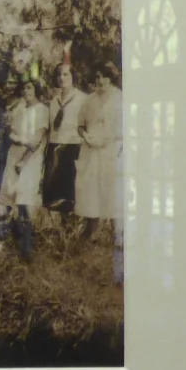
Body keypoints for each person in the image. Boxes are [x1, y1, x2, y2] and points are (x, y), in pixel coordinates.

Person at [0, 79, 49, 259]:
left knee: (25, 199)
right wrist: (14, 139)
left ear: (36, 90)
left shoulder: (42, 110)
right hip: (14, 155)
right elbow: (10, 133)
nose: (26, 91)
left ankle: (26, 247)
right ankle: (5, 241)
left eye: (30, 87)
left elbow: (36, 141)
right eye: (24, 87)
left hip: (30, 158)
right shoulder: (19, 109)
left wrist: (23, 159)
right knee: (9, 198)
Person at [74, 62, 123, 241]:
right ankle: (90, 230)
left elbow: (125, 128)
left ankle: (118, 233)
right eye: (97, 77)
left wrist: (107, 139)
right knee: (90, 190)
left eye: (104, 76)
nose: (100, 80)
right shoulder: (89, 100)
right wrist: (86, 136)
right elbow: (80, 126)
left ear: (111, 78)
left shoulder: (120, 99)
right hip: (91, 151)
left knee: (112, 189)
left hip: (112, 151)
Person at [43, 63, 86, 216]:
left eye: (66, 74)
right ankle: (60, 231)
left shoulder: (82, 99)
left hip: (73, 148)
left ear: (73, 76)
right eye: (59, 74)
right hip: (55, 147)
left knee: (70, 193)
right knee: (54, 194)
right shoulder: (54, 101)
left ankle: (72, 228)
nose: (61, 78)